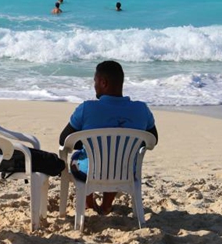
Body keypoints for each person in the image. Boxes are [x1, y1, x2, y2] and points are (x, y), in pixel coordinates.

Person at [58, 61, 158, 215]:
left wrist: (85, 143)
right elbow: (153, 140)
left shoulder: (87, 108)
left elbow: (64, 140)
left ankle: (88, 202)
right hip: (125, 172)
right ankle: (106, 205)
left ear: (103, 82)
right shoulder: (141, 110)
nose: (94, 86)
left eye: (95, 81)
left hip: (90, 172)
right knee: (118, 156)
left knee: (79, 157)